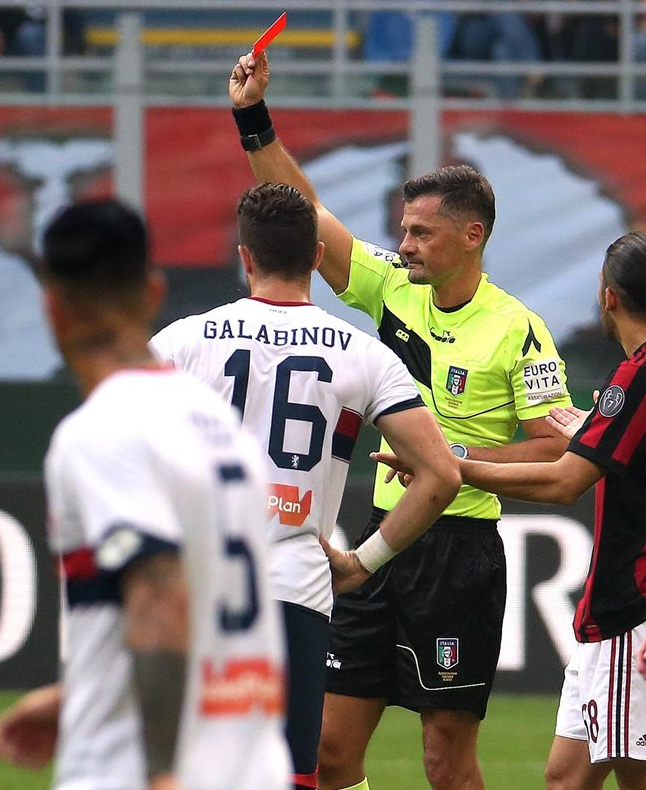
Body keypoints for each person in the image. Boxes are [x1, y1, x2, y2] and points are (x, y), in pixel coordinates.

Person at [229, 51, 573, 790]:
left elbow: (552, 446)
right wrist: (253, 120)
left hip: (460, 555)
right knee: (328, 753)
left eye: (420, 232)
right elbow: (304, 213)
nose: (406, 245)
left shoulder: (518, 328)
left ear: (471, 236)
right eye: (404, 231)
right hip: (380, 541)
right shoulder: (393, 287)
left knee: (446, 762)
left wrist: (446, 453)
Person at [150, 182, 462, 790]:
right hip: (296, 587)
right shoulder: (362, 356)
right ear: (318, 256)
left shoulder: (181, 343)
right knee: (292, 776)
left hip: (197, 588)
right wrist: (363, 562)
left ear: (245, 256)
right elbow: (441, 474)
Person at [0, 199, 291, 790]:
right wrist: (82, 697)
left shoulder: (100, 431)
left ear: (52, 310)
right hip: (251, 768)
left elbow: (160, 596)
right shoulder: (222, 427)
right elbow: (199, 612)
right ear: (153, 293)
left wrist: (162, 773)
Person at [378, 232, 646, 790]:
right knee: (564, 779)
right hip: (609, 617)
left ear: (609, 297)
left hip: (632, 610)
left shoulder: (636, 377)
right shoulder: (627, 385)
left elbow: (564, 483)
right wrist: (592, 429)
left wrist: (446, 464)